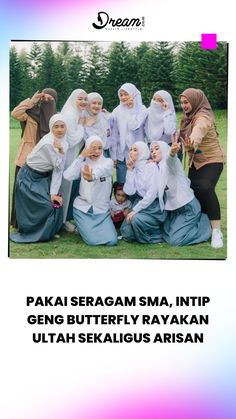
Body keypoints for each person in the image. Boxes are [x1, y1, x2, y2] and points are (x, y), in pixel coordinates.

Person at [10, 114, 68, 243]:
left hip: (43, 177)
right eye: (56, 127)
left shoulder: (63, 141)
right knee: (46, 205)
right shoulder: (48, 143)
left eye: (62, 126)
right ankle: (33, 233)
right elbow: (58, 166)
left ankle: (48, 232)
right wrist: (60, 150)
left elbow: (59, 171)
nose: (59, 130)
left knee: (55, 204)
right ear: (51, 128)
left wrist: (53, 193)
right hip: (29, 176)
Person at [179, 88, 225, 248]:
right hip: (196, 162)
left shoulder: (203, 117)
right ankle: (204, 228)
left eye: (187, 102)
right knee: (194, 191)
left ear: (196, 101)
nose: (184, 105)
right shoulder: (186, 118)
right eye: (182, 102)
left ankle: (217, 232)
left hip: (212, 160)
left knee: (205, 188)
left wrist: (192, 141)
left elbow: (199, 130)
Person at [10, 88, 58, 228]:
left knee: (40, 193)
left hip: (45, 162)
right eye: (44, 98)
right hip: (26, 159)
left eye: (51, 99)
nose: (47, 101)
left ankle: (38, 223)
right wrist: (32, 101)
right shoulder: (31, 114)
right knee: (22, 191)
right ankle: (18, 222)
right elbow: (15, 113)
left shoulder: (56, 119)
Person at [150, 141, 211, 246]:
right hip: (176, 210)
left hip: (188, 207)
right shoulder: (159, 168)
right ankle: (189, 226)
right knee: (166, 236)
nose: (153, 152)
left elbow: (171, 160)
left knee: (175, 241)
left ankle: (205, 227)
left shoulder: (171, 163)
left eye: (156, 149)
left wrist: (172, 153)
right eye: (151, 150)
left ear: (164, 150)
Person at [63, 135, 118, 246]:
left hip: (101, 211)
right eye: (93, 148)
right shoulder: (83, 164)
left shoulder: (108, 162)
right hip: (83, 209)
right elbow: (67, 175)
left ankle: (84, 230)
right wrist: (81, 157)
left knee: (112, 241)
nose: (96, 151)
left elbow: (100, 171)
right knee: (92, 242)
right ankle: (81, 227)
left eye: (99, 148)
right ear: (87, 148)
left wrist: (91, 176)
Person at [120, 141, 167, 243]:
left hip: (153, 206)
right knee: (126, 233)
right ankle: (141, 229)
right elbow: (129, 191)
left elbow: (151, 194)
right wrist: (129, 170)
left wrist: (134, 210)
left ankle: (156, 235)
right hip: (140, 202)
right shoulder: (135, 168)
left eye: (135, 150)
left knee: (135, 220)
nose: (131, 152)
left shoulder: (151, 167)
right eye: (131, 150)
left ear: (142, 153)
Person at [60, 88, 88, 232]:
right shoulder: (70, 115)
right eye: (80, 99)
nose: (83, 102)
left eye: (85, 99)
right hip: (67, 157)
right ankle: (61, 220)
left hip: (74, 156)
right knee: (65, 186)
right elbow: (72, 139)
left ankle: (65, 218)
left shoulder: (78, 113)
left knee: (70, 187)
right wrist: (81, 125)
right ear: (73, 100)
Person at [110, 83, 147, 184]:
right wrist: (114, 155)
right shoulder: (117, 111)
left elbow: (133, 126)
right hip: (122, 156)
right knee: (122, 184)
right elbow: (114, 135)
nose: (123, 97)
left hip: (138, 155)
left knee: (138, 184)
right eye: (121, 95)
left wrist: (131, 109)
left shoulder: (142, 109)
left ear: (133, 94)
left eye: (126, 94)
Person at [84, 92, 112, 157]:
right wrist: (87, 126)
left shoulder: (104, 116)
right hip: (89, 154)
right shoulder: (83, 118)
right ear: (88, 104)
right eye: (94, 103)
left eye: (99, 104)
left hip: (105, 153)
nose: (97, 106)